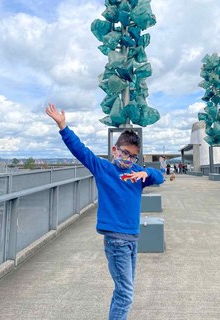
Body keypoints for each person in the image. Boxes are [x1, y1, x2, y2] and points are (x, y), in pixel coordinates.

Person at [45, 103, 164, 320]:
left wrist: (145, 173)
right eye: (125, 153)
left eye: (133, 156)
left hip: (132, 239)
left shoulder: (137, 172)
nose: (128, 159)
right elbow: (80, 150)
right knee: (126, 294)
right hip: (116, 241)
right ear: (115, 150)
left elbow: (160, 177)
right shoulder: (104, 169)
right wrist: (63, 126)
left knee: (122, 291)